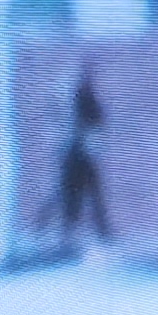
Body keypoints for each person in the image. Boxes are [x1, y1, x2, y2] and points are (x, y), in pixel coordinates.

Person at [48, 64, 111, 247]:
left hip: (82, 154)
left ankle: (98, 232)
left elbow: (97, 122)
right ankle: (74, 231)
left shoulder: (84, 99)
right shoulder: (77, 100)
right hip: (76, 154)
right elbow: (94, 122)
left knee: (86, 194)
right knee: (75, 194)